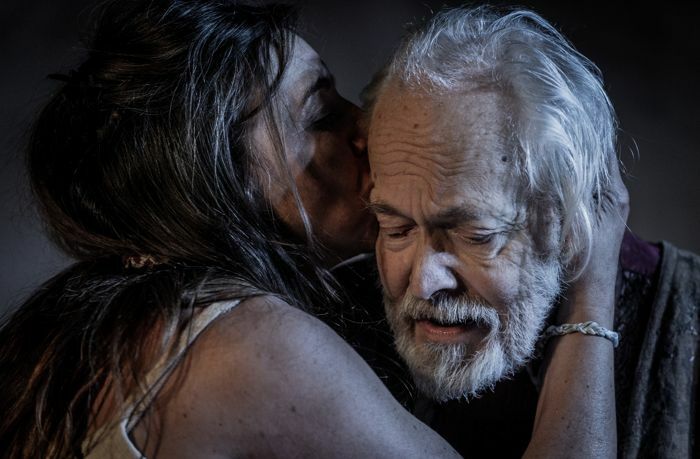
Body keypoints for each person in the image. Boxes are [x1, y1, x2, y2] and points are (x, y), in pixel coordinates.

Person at [0, 1, 620, 457]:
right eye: (321, 112)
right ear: (226, 185)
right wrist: (593, 285)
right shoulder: (246, 346)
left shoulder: (105, 320)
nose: (367, 129)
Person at [365, 5, 700, 458]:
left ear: (570, 215)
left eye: (477, 235)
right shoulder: (337, 321)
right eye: (396, 229)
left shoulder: (687, 315)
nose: (423, 282)